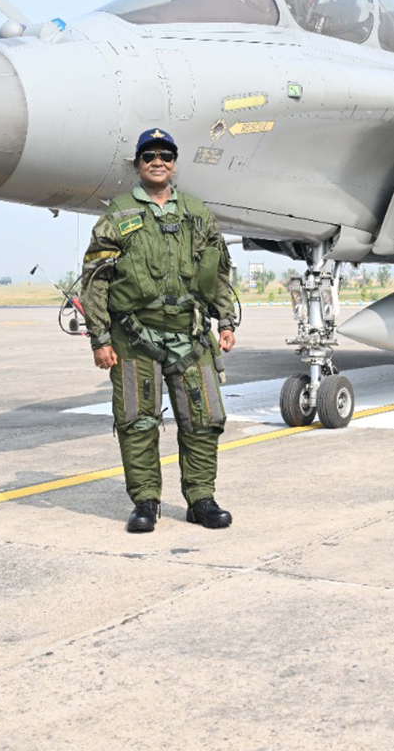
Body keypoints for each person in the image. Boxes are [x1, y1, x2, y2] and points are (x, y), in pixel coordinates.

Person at [81, 128, 239, 534]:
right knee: (137, 422)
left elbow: (218, 271)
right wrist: (100, 338)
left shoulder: (197, 212)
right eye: (149, 155)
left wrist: (225, 321)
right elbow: (95, 279)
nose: (158, 161)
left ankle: (202, 500)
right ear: (137, 164)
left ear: (174, 163)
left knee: (204, 420)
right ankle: (146, 503)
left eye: (165, 155)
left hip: (191, 334)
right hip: (135, 337)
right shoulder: (116, 215)